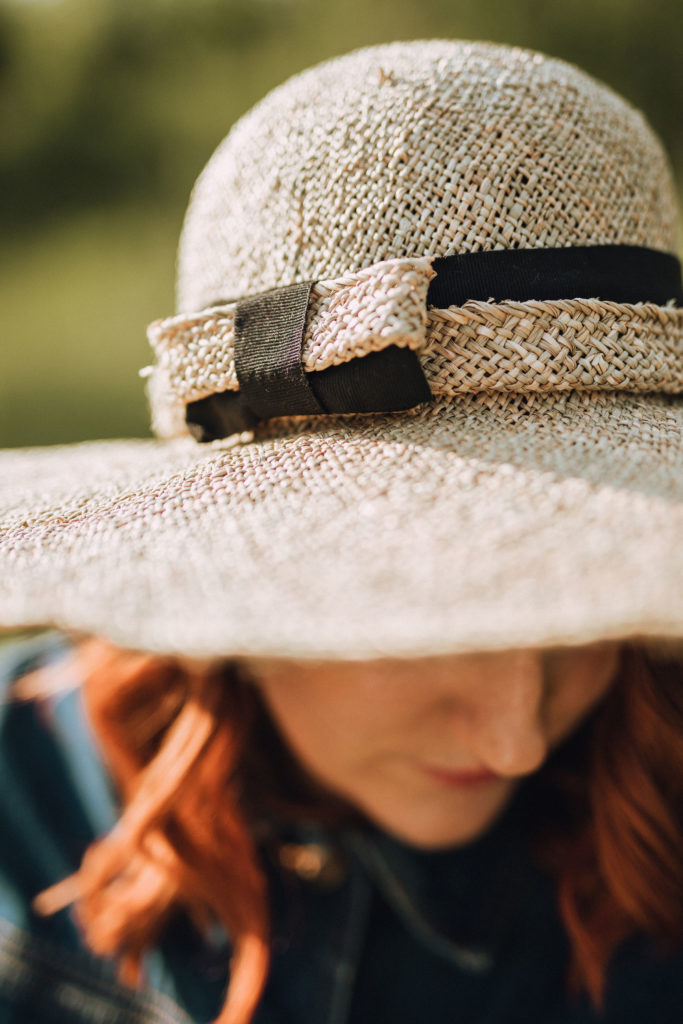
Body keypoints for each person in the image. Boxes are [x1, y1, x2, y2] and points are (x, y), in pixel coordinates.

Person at [0, 38, 682, 1024]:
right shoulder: (24, 791)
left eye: (590, 605)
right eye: (437, 613)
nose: (517, 736)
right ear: (230, 561)